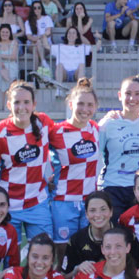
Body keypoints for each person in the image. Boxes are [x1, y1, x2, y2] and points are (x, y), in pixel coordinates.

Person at [0, 81, 55, 240]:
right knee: (10, 259)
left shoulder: (43, 122)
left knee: (44, 253)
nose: (21, 107)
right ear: (9, 105)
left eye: (26, 102)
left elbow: (66, 138)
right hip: (8, 206)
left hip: (38, 202)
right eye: (16, 102)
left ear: (34, 104)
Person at [49, 80, 100, 255]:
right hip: (63, 200)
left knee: (88, 248)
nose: (85, 109)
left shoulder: (96, 129)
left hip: (89, 201)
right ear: (71, 104)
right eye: (80, 104)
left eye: (90, 105)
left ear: (96, 107)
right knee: (63, 251)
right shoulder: (55, 131)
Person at [98, 77, 139, 218]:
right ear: (119, 95)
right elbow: (96, 156)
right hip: (112, 187)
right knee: (114, 235)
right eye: (128, 93)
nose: (132, 98)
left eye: (137, 94)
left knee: (137, 235)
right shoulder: (107, 124)